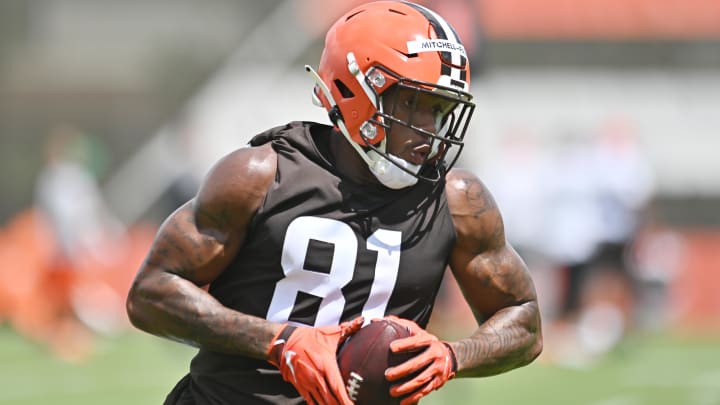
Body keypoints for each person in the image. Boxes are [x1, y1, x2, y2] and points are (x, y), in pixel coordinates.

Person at [126, 2, 542, 404]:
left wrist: (453, 357)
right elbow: (151, 293)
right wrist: (278, 341)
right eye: (415, 104)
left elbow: (524, 320)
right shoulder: (260, 176)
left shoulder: (456, 200)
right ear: (355, 89)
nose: (429, 130)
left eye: (441, 109)